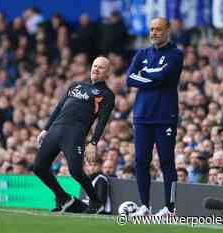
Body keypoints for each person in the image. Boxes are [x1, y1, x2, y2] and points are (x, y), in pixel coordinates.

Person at [34, 56, 115, 214]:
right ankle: (63, 198)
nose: (96, 69)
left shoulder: (106, 94)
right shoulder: (76, 85)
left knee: (76, 171)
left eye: (101, 67)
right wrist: (45, 129)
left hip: (75, 133)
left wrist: (93, 143)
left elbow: (102, 121)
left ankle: (96, 202)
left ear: (108, 73)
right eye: (94, 65)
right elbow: (59, 107)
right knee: (38, 167)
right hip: (56, 129)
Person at [126, 17, 184, 216]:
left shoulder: (176, 54)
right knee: (141, 161)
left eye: (158, 29)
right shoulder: (142, 53)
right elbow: (129, 78)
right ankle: (144, 205)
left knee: (167, 161)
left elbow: (163, 75)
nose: (153, 33)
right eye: (151, 29)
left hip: (164, 116)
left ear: (168, 30)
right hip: (142, 116)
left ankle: (170, 208)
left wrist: (144, 74)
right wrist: (152, 77)